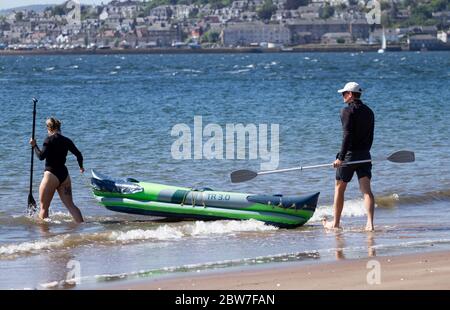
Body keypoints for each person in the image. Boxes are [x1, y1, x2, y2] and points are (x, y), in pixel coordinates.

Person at [322, 82, 375, 231]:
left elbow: (347, 135)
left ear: (350, 94)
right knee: (366, 190)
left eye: (344, 93)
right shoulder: (369, 111)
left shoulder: (346, 111)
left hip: (350, 156)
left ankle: (336, 224)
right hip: (365, 155)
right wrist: (365, 152)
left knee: (339, 188)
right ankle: (370, 224)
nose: (342, 96)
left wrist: (341, 158)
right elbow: (370, 136)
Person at [29, 117, 85, 223]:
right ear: (59, 127)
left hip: (51, 175)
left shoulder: (48, 140)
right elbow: (78, 154)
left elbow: (41, 157)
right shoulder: (67, 140)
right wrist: (81, 167)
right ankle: (82, 227)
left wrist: (34, 145)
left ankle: (44, 236)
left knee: (44, 208)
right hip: (64, 176)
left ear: (49, 128)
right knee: (71, 205)